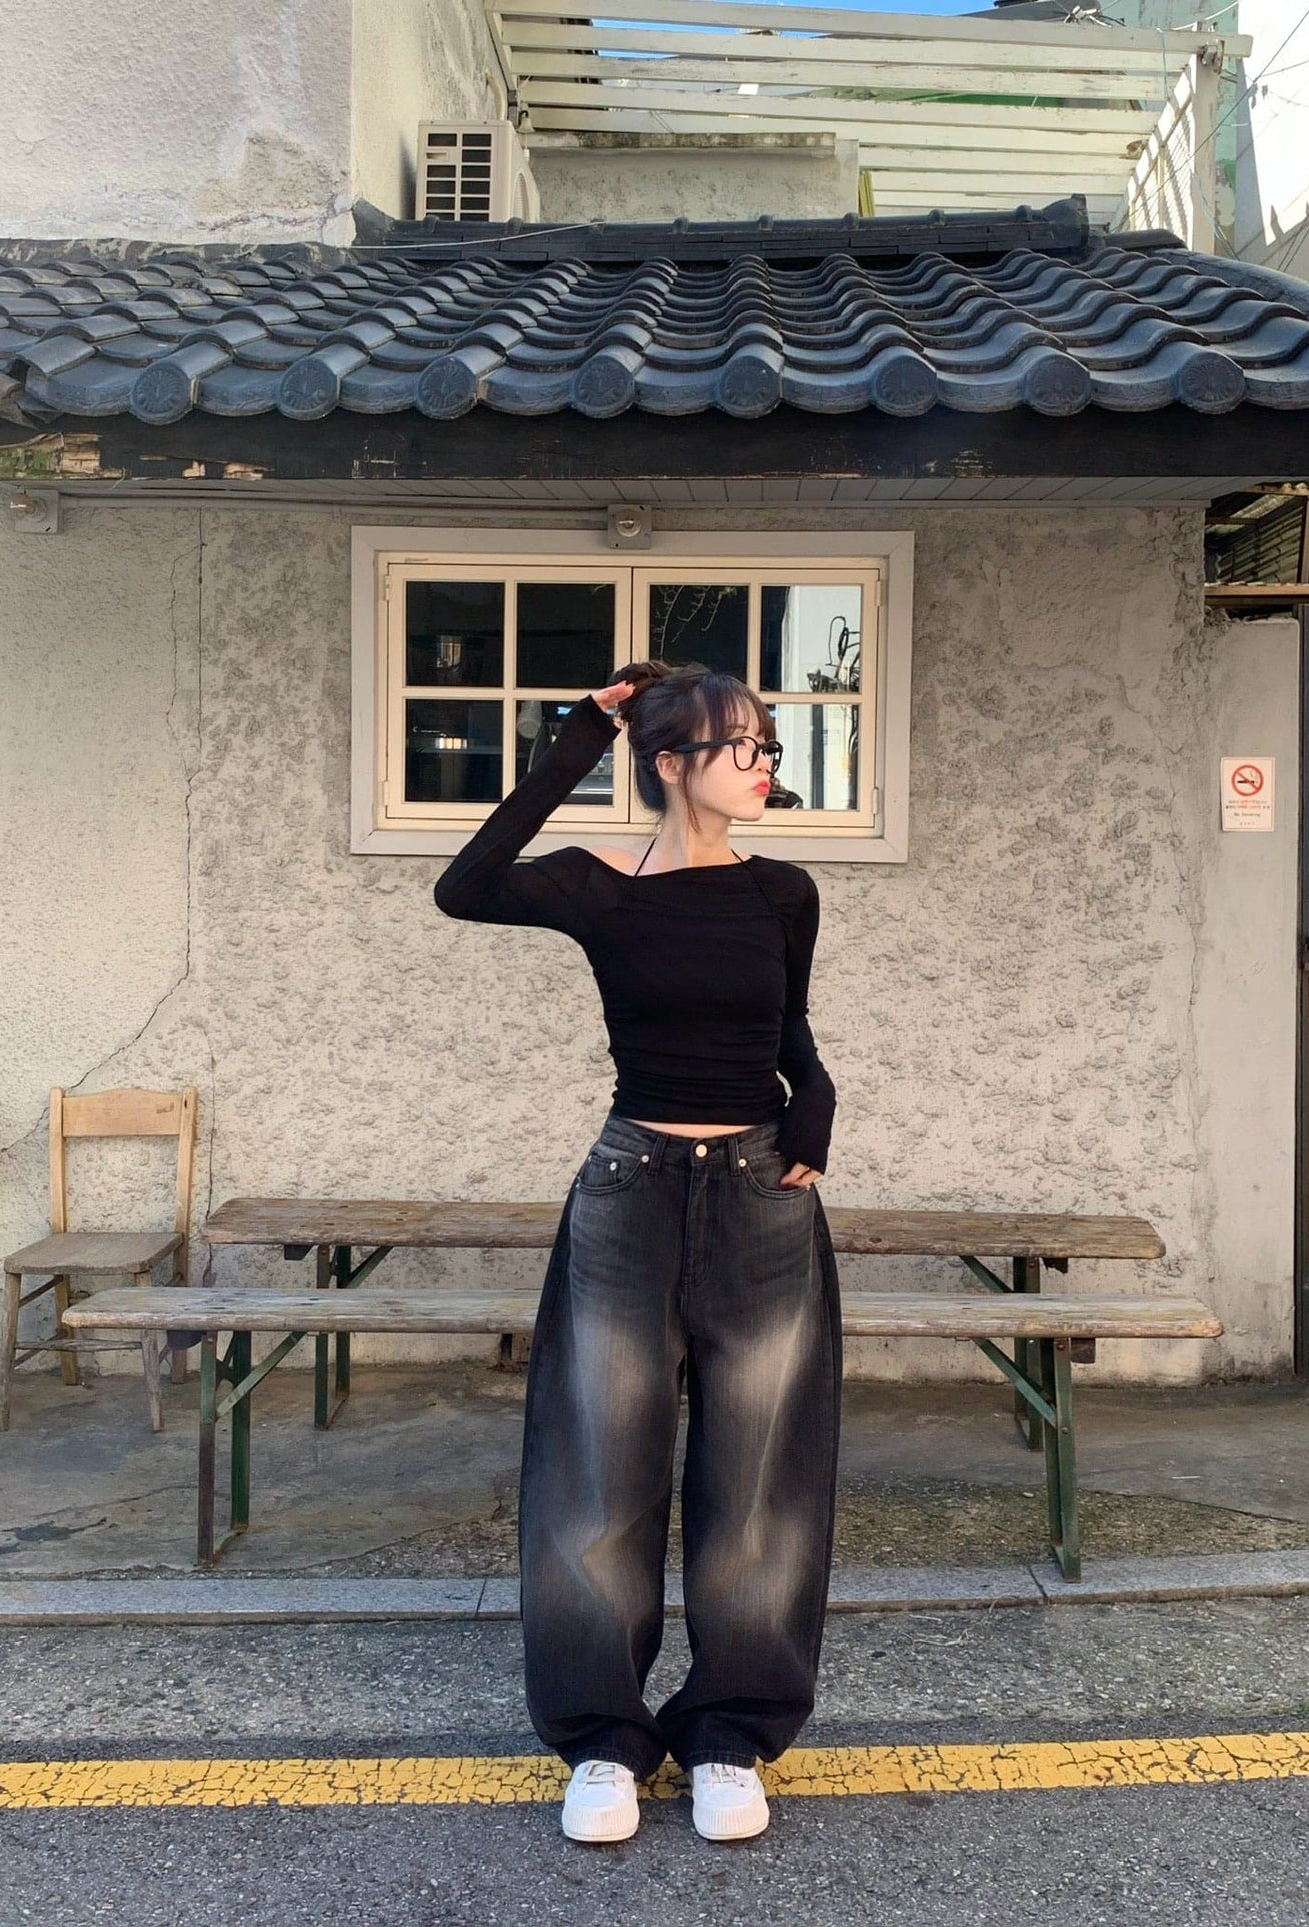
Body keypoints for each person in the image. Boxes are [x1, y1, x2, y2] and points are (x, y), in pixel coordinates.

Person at [433, 658, 841, 1845]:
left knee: (757, 1480)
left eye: (766, 744)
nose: (762, 763)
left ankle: (727, 1733)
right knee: (595, 1475)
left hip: (761, 1192)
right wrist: (576, 737)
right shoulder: (596, 884)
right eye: (739, 745)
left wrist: (814, 1098)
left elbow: (788, 1027)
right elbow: (465, 887)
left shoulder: (782, 890)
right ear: (670, 763)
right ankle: (603, 1740)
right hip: (629, 1192)